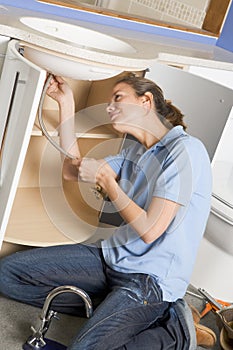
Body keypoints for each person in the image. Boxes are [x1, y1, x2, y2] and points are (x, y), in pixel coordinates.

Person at [0, 74, 212, 349]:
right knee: (6, 274)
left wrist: (109, 183)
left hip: (150, 280)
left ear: (145, 101)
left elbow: (150, 230)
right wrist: (66, 103)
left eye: (118, 98)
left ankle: (176, 332)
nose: (109, 106)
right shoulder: (134, 153)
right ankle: (111, 307)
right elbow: (71, 170)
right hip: (111, 256)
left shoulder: (185, 151)